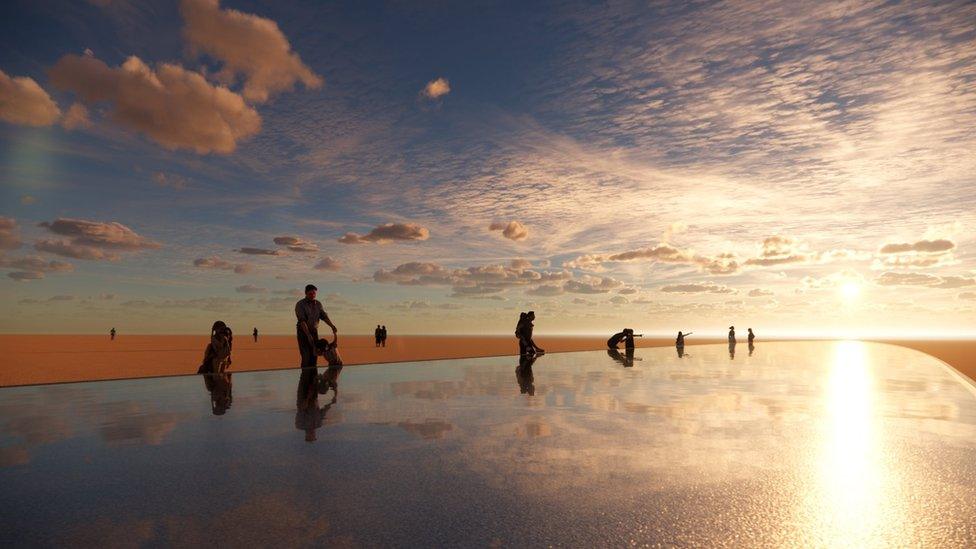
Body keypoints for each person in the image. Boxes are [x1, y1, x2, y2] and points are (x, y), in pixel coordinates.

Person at [296, 284, 338, 369]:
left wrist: (332, 326)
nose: (312, 295)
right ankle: (304, 379)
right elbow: (302, 321)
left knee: (314, 355)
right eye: (310, 294)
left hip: (314, 332)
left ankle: (313, 378)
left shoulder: (318, 304)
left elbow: (324, 316)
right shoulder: (300, 304)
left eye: (314, 293)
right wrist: (308, 335)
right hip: (303, 333)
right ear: (305, 293)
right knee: (306, 356)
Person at [295, 368, 333, 442]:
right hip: (312, 398)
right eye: (313, 436)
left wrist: (307, 399)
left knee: (306, 378)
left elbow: (301, 409)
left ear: (306, 436)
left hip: (303, 397)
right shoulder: (318, 423)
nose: (312, 434)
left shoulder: (300, 425)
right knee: (322, 387)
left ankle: (312, 373)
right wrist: (332, 402)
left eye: (310, 436)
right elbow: (324, 411)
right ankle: (319, 376)